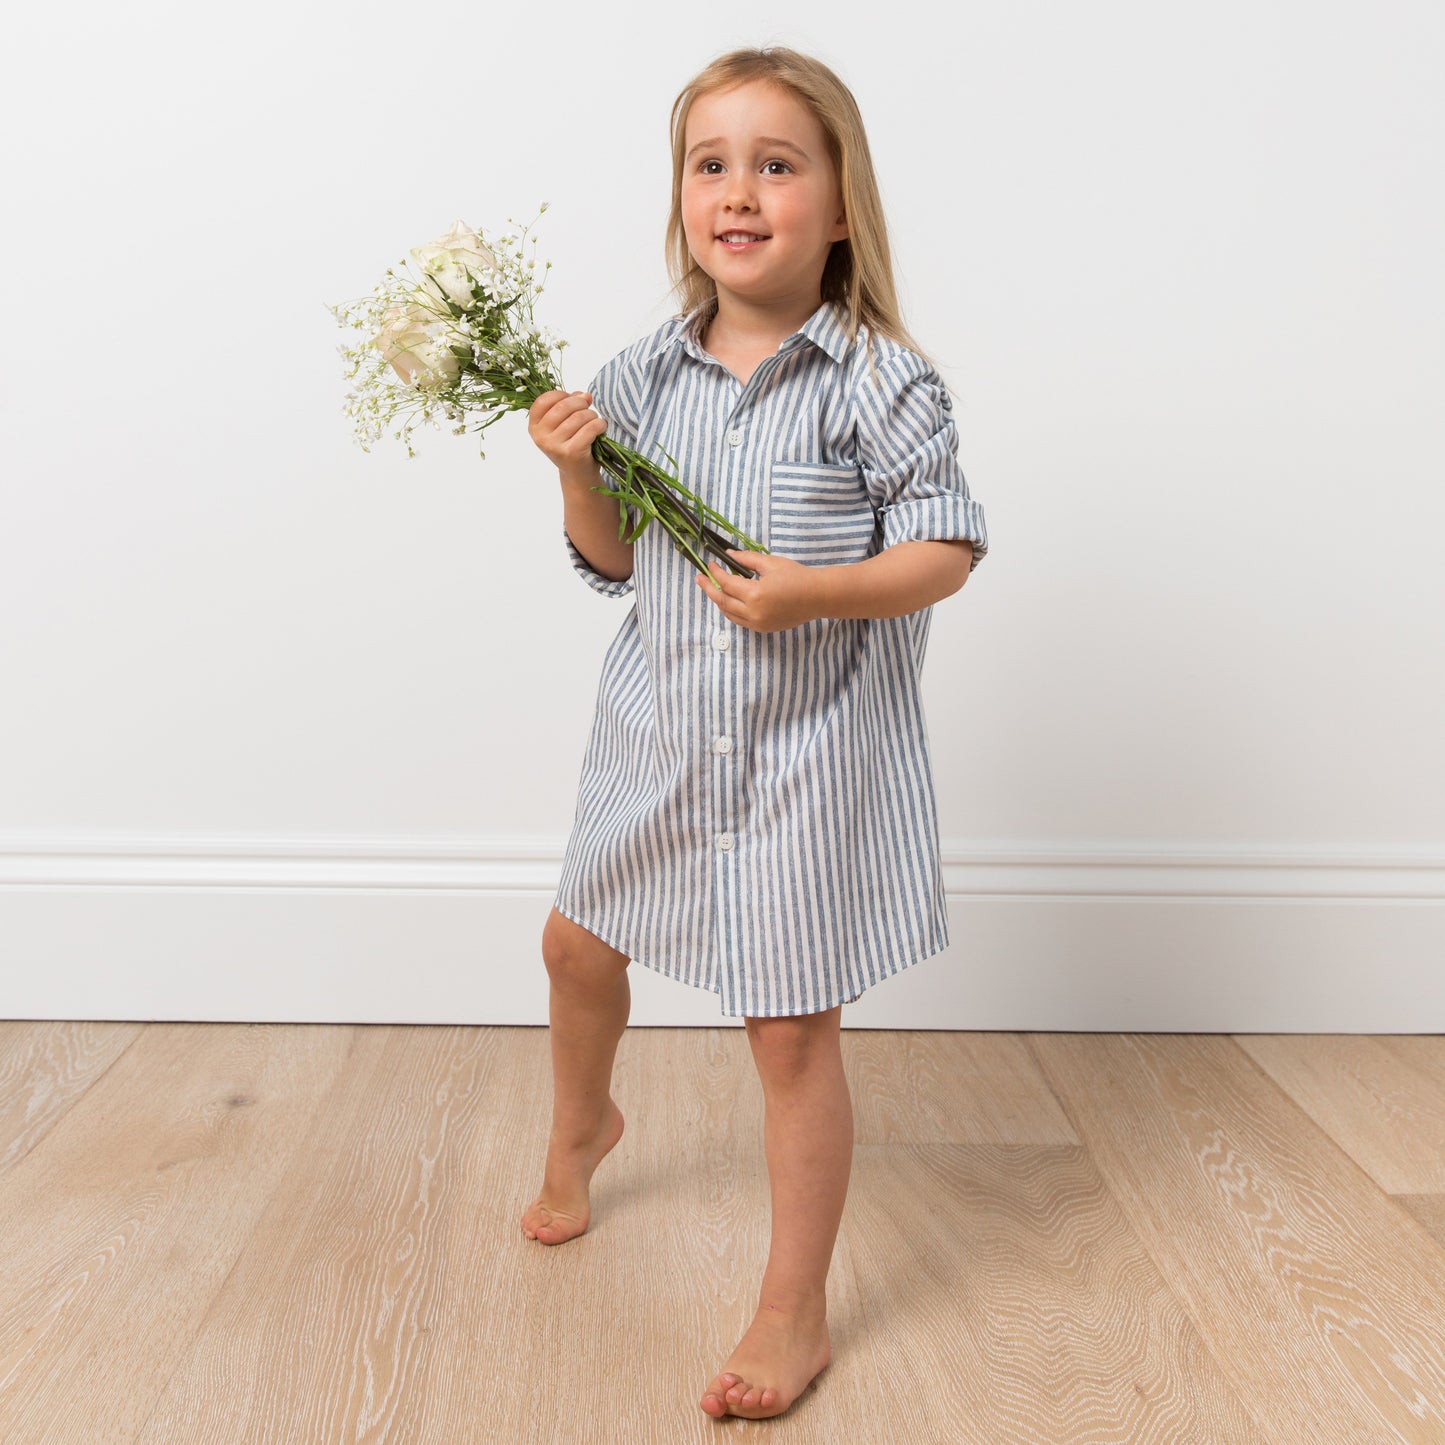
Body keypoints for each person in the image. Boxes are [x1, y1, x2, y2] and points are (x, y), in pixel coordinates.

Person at [522, 44, 990, 1422]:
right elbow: (610, 564)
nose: (737, 191)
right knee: (569, 939)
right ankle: (579, 1126)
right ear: (678, 201)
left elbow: (946, 545)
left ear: (839, 207)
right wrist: (571, 475)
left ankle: (795, 1307)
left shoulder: (878, 383)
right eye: (708, 164)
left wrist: (816, 595)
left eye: (776, 165)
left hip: (802, 758)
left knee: (786, 1030)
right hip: (657, 733)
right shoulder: (640, 373)